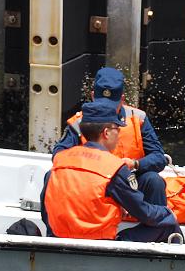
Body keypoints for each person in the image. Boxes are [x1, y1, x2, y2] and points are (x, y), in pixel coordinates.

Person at [42, 98, 182, 243]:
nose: (119, 134)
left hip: (58, 239)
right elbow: (143, 212)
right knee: (168, 226)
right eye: (117, 129)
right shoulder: (113, 168)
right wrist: (167, 213)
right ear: (107, 133)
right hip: (100, 244)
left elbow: (45, 206)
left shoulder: (60, 161)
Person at [52, 67, 168, 206]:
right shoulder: (78, 123)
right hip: (92, 182)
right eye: (102, 104)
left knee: (154, 180)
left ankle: (158, 224)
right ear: (93, 96)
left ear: (122, 99)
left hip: (129, 181)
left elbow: (159, 158)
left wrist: (135, 164)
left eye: (111, 106)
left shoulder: (138, 118)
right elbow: (59, 155)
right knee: (51, 176)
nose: (106, 110)